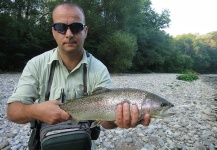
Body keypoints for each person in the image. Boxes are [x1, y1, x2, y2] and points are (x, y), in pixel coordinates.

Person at [7, 1, 151, 149]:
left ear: (85, 31)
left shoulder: (99, 69)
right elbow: (12, 112)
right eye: (61, 27)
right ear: (53, 31)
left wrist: (118, 119)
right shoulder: (36, 64)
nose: (69, 34)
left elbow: (106, 123)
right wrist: (36, 110)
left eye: (76, 27)